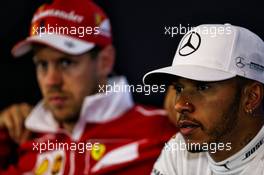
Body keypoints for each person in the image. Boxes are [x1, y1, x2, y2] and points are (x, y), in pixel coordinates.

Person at [0, 0, 176, 174]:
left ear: (105, 61)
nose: (51, 81)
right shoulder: (25, 139)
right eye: (42, 65)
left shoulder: (163, 131)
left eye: (66, 62)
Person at [143, 24, 264, 175]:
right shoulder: (178, 151)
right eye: (179, 89)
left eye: (202, 87)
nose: (180, 105)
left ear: (252, 97)